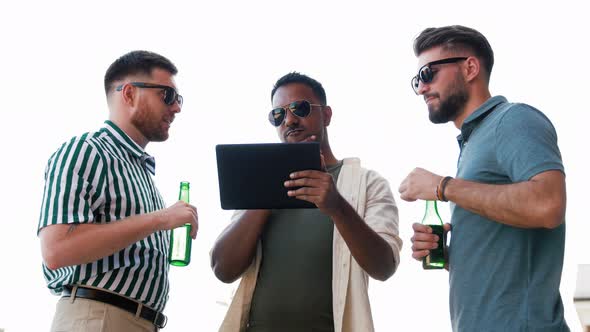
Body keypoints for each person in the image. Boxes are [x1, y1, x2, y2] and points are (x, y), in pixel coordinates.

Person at [399, 25, 569, 331]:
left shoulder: (513, 119)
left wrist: (443, 186)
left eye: (428, 74)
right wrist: (452, 254)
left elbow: (549, 205)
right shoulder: (472, 144)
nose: (421, 88)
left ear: (470, 68)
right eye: (417, 81)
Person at [211, 72, 402, 332]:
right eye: (278, 114)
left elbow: (384, 267)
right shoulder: (261, 184)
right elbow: (223, 269)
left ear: (327, 115)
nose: (289, 119)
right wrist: (267, 192)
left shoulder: (368, 183)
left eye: (300, 108)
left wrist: (337, 206)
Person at [37, 50, 198, 332]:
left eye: (178, 99)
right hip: (97, 319)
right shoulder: (86, 150)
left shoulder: (143, 174)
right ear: (129, 94)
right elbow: (56, 250)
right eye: (168, 96)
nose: (177, 108)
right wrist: (160, 219)